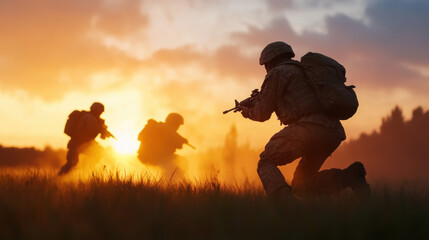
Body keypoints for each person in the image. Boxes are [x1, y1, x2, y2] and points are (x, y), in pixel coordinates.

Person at [237, 41, 370, 199]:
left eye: (265, 65)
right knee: (302, 185)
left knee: (266, 160)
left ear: (269, 61)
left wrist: (246, 111)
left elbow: (262, 113)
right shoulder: (304, 71)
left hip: (309, 129)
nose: (266, 69)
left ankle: (285, 205)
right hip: (332, 131)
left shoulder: (277, 72)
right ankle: (349, 176)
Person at [59, 102, 115, 175]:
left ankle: (87, 172)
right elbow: (91, 131)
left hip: (81, 144)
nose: (101, 113)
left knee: (97, 155)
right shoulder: (90, 118)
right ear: (97, 111)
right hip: (80, 143)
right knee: (72, 163)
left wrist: (103, 132)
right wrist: (102, 132)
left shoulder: (92, 118)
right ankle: (60, 176)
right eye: (100, 112)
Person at [137, 113, 190, 177]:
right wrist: (181, 141)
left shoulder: (162, 128)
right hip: (154, 156)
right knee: (179, 164)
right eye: (178, 124)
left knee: (177, 163)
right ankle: (168, 182)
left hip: (146, 156)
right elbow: (176, 143)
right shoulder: (166, 130)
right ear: (173, 123)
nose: (178, 127)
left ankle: (165, 181)